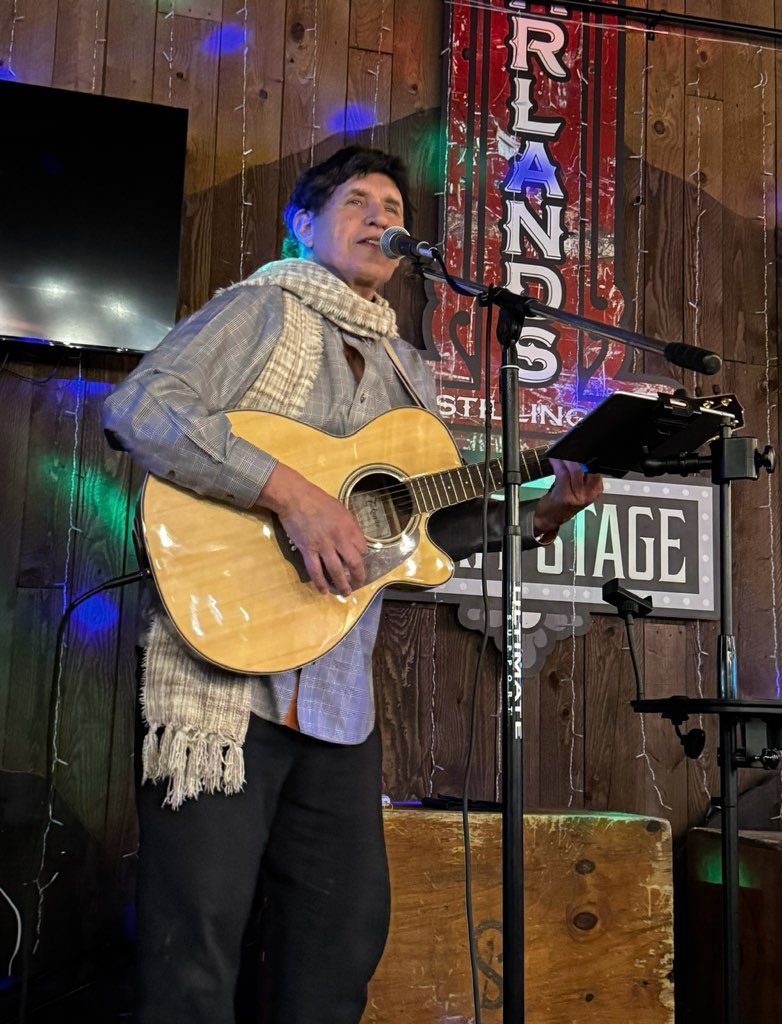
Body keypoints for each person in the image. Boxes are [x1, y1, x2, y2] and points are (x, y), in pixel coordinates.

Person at [102, 146, 603, 1024]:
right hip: (225, 690)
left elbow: (420, 535)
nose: (381, 217)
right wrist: (293, 496)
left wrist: (543, 512)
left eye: (392, 207)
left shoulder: (410, 369)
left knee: (340, 944)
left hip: (337, 702)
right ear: (302, 225)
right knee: (196, 951)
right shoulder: (259, 309)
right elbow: (141, 407)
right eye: (357, 202)